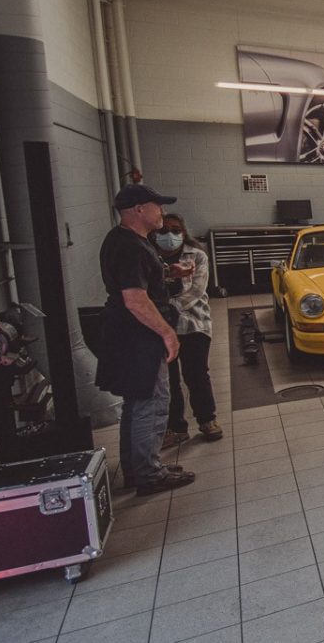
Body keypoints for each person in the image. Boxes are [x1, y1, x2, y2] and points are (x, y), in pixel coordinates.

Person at [96, 184, 196, 495]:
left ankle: (137, 468)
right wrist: (168, 334)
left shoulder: (124, 240)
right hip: (141, 337)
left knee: (136, 403)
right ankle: (149, 474)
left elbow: (141, 281)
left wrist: (168, 274)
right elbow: (136, 299)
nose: (162, 213)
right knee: (151, 404)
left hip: (129, 335)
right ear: (139, 209)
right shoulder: (131, 247)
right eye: (157, 206)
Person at [154, 214, 221, 448]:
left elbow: (195, 291)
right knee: (168, 380)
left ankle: (207, 420)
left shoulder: (197, 256)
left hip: (194, 325)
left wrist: (166, 308)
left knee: (197, 375)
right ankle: (176, 428)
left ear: (184, 232)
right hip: (160, 328)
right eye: (164, 231)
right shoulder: (151, 258)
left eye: (175, 230)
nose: (169, 235)